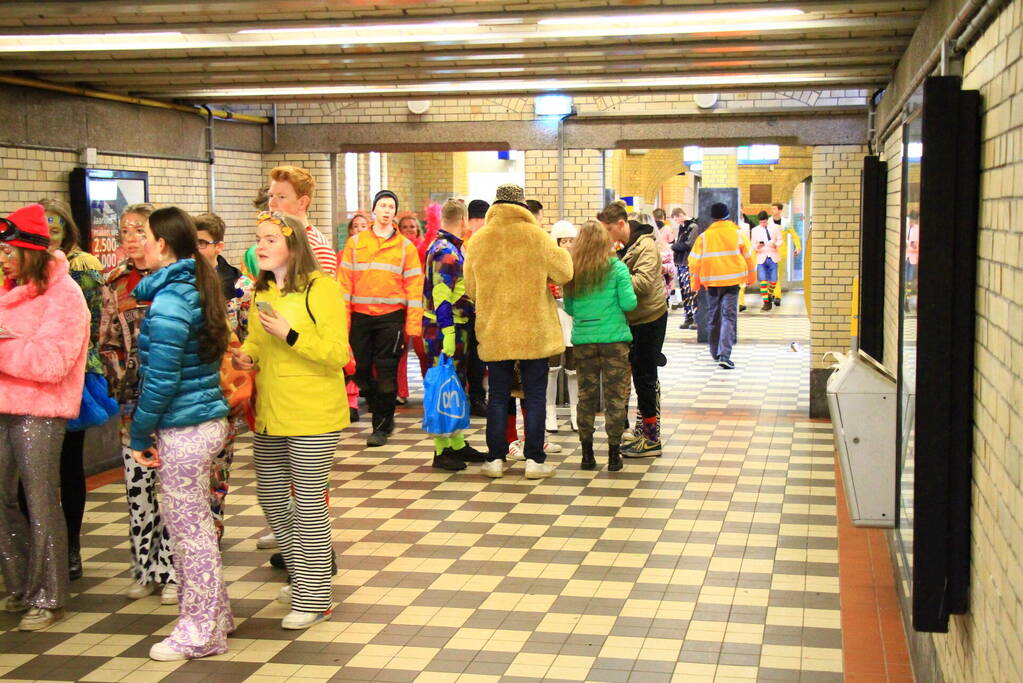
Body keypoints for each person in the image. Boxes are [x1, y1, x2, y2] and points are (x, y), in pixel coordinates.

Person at [234, 211, 349, 630]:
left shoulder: (322, 289)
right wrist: (248, 355)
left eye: (269, 239)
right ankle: (304, 576)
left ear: (294, 247)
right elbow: (255, 340)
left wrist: (290, 335)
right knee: (270, 495)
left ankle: (315, 595)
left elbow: (337, 353)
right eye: (258, 238)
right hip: (270, 411)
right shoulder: (261, 289)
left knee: (308, 506)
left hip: (313, 413)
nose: (260, 246)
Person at [127, 207, 232, 661]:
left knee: (189, 534)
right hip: (202, 421)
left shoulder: (171, 300)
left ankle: (199, 631)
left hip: (184, 426)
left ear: (164, 244)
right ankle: (215, 616)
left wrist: (138, 433)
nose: (138, 244)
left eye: (144, 236)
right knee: (197, 529)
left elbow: (162, 380)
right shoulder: (193, 285)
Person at [0, 203, 90, 631]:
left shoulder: (65, 295)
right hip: (3, 407)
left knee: (39, 502)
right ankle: (20, 584)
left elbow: (52, 363)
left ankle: (49, 595)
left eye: (7, 250)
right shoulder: (5, 289)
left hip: (41, 411)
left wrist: (3, 346)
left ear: (29, 251)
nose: (1, 259)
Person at [464, 184, 572, 480]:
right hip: (534, 330)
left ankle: (495, 459)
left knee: (498, 395)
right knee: (535, 396)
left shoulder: (478, 240)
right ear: (522, 206)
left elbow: (471, 289)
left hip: (495, 329)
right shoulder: (537, 236)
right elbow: (565, 273)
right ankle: (535, 460)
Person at [100, 202, 179, 604]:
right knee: (137, 490)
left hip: (171, 402)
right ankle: (145, 568)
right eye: (125, 232)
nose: (131, 239)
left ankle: (172, 570)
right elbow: (107, 341)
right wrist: (121, 384)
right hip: (132, 401)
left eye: (139, 231)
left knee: (172, 489)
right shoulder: (115, 283)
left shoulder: (173, 279)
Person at [37, 198, 106, 582]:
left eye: (55, 225)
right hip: (27, 378)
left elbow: (95, 322)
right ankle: (40, 547)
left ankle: (71, 548)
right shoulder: (20, 268)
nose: (48, 233)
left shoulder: (82, 267)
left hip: (74, 373)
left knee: (67, 465)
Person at [338, 189, 424, 447]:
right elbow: (344, 285)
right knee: (360, 371)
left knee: (387, 372)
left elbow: (414, 288)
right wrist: (343, 323)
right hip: (361, 318)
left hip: (391, 319)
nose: (386, 210)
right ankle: (378, 406)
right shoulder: (355, 244)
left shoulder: (405, 247)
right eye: (383, 205)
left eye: (391, 207)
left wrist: (413, 325)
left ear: (394, 213)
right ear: (374, 210)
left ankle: (382, 426)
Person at [194, 212, 252, 542]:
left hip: (224, 389)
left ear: (219, 246)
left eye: (202, 243)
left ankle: (211, 532)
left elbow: (249, 336)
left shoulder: (239, 284)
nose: (196, 250)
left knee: (218, 467)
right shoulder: (179, 281)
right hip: (189, 386)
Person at [563, 220, 636, 472]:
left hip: (584, 342)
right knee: (615, 397)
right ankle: (614, 455)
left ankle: (587, 454)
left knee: (586, 397)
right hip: (614, 341)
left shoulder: (573, 271)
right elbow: (629, 303)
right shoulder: (617, 268)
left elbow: (570, 308)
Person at [598, 202, 669, 458]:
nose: (606, 235)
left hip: (650, 317)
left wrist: (612, 278)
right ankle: (644, 432)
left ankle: (652, 439)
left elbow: (642, 283)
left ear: (620, 225)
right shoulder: (628, 246)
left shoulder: (646, 246)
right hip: (635, 318)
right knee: (641, 375)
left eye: (607, 229)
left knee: (645, 377)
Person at [421, 199, 485, 470]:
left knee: (454, 387)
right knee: (442, 388)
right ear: (462, 221)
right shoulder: (446, 251)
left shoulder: (445, 247)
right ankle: (441, 449)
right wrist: (447, 331)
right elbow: (441, 295)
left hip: (452, 327)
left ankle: (456, 443)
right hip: (445, 329)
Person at [688, 202, 756, 370]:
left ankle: (715, 352)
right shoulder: (738, 234)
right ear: (727, 216)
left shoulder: (704, 237)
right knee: (728, 317)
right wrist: (751, 277)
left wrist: (695, 284)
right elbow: (750, 256)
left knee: (714, 317)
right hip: (732, 283)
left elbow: (693, 262)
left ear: (712, 217)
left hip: (711, 283)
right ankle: (724, 354)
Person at [267, 165, 338, 276]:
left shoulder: (317, 249)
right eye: (271, 196)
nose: (272, 203)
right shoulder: (270, 242)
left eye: (281, 197)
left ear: (302, 202)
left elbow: (322, 292)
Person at [546, 220, 578, 433]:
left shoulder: (578, 261)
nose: (566, 244)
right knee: (552, 367)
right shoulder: (549, 261)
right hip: (554, 313)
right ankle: (550, 412)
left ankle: (576, 411)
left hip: (574, 314)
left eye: (570, 240)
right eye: (562, 241)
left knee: (574, 367)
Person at [395, 211, 430, 405]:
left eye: (412, 226)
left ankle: (430, 389)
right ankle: (400, 390)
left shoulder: (424, 249)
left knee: (422, 350)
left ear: (418, 229)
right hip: (401, 305)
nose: (409, 230)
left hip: (420, 306)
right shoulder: (397, 249)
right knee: (399, 350)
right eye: (405, 227)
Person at [463, 199, 490, 416]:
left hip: (481, 309)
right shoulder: (462, 242)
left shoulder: (487, 240)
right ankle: (466, 398)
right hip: (464, 310)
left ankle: (477, 398)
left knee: (478, 359)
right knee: (467, 358)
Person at [671, 208, 699, 329]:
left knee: (691, 291)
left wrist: (673, 246)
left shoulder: (693, 227)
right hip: (681, 263)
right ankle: (688, 317)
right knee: (684, 291)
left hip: (689, 263)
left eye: (676, 218)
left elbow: (689, 244)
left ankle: (696, 319)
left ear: (682, 215)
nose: (676, 221)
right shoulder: (682, 228)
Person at [769, 202, 801, 306]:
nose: (772, 211)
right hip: (770, 251)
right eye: (772, 209)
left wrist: (798, 247)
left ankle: (777, 296)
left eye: (774, 209)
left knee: (777, 274)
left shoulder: (786, 223)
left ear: (780, 210)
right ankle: (774, 293)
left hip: (781, 252)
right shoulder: (768, 221)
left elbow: (795, 235)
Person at [750, 210, 783, 311]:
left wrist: (776, 244)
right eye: (760, 222)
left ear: (767, 220)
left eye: (764, 222)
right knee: (763, 281)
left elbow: (781, 240)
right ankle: (766, 303)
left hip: (773, 255)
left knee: (773, 280)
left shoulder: (776, 228)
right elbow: (752, 244)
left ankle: (768, 295)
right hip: (761, 257)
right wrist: (757, 246)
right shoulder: (755, 230)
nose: (762, 224)